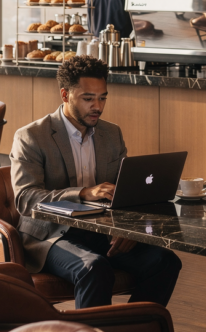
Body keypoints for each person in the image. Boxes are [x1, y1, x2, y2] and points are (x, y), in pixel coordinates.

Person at [11, 55, 182, 310]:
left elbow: (125, 193)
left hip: (101, 231)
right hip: (50, 235)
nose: (98, 107)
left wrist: (127, 231)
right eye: (88, 98)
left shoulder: (111, 134)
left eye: (103, 97)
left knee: (166, 261)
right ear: (65, 95)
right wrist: (82, 193)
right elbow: (26, 198)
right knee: (94, 268)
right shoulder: (32, 136)